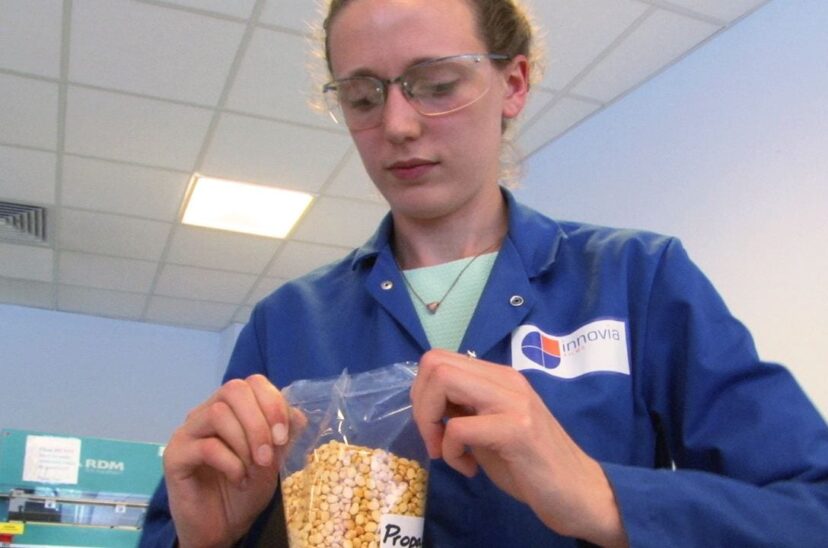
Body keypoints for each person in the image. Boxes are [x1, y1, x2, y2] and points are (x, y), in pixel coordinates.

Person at [140, 0, 828, 546]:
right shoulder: (288, 323)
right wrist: (208, 540)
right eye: (363, 96)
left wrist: (600, 494)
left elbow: (811, 509)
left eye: (437, 85)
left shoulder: (637, 282)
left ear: (514, 84)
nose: (398, 125)